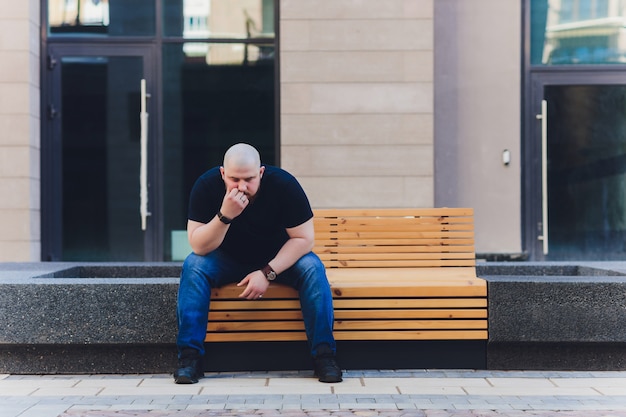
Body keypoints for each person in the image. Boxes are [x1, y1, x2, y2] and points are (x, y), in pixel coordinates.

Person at [174, 143, 342, 384]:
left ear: (261, 173)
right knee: (194, 266)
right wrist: (225, 215)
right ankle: (189, 360)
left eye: (249, 179)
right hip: (227, 259)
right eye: (234, 179)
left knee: (312, 268)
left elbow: (305, 240)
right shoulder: (206, 185)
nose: (242, 187)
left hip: (278, 260)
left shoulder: (284, 185)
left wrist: (267, 273)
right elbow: (199, 246)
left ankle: (324, 358)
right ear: (223, 174)